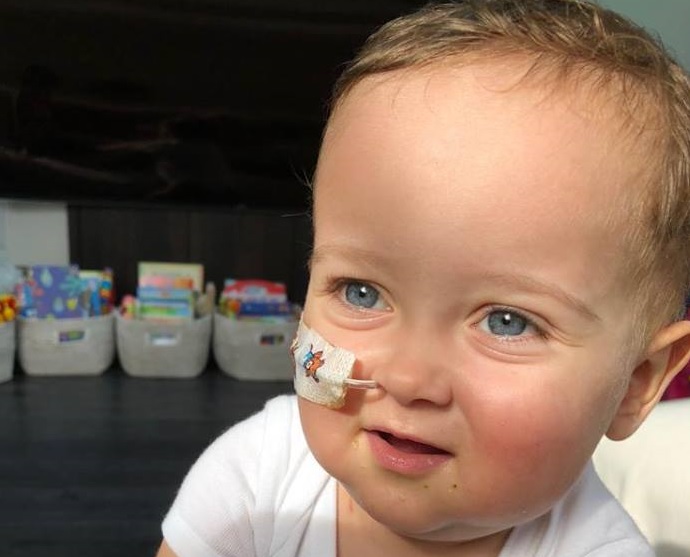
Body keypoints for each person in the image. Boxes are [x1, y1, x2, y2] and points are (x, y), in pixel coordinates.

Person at [156, 1, 690, 555]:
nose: (408, 380)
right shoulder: (256, 480)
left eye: (508, 322)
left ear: (636, 383)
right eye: (362, 293)